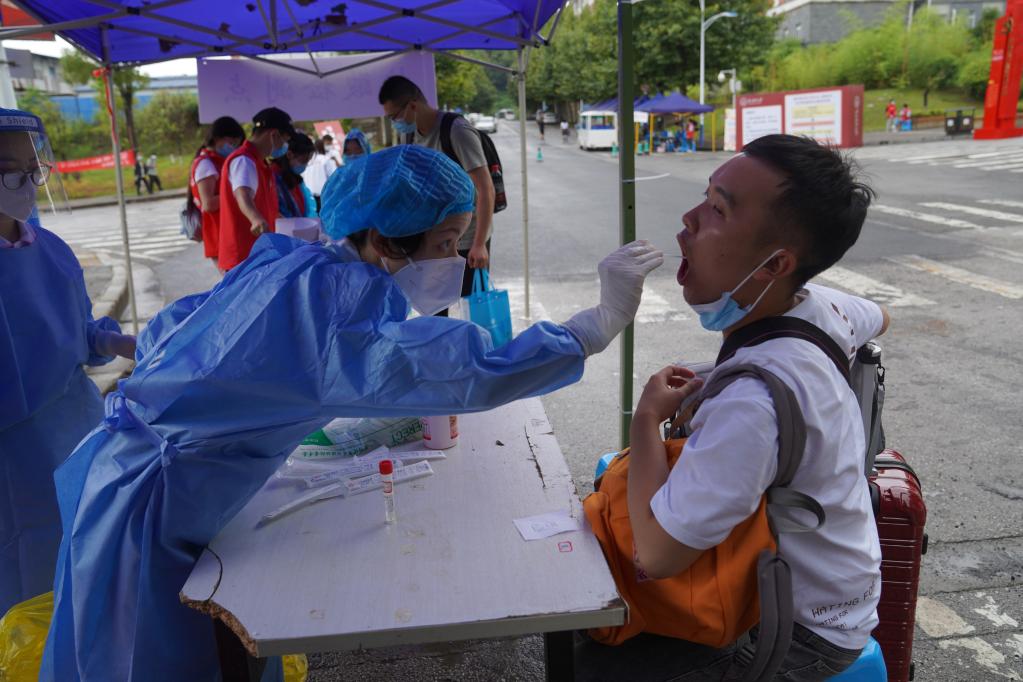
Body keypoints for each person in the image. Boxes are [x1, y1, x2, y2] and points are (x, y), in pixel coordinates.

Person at [41, 144, 663, 681]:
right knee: (144, 662)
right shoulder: (341, 314)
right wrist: (593, 327)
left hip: (124, 469)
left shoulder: (297, 260)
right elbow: (457, 368)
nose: (456, 257)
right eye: (445, 243)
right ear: (385, 237)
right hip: (146, 509)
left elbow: (184, 323)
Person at [575, 134, 888, 681]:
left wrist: (646, 419)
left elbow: (657, 555)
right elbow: (880, 316)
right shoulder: (820, 305)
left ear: (774, 263)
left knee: (596, 658)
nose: (689, 220)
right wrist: (720, 368)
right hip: (842, 593)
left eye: (718, 209)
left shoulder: (750, 405)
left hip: (795, 634)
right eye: (704, 196)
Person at [0, 107, 136, 616]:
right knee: (30, 588)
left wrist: (122, 345)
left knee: (88, 557)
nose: (26, 183)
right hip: (14, 462)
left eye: (31, 170)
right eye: (9, 172)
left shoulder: (48, 248)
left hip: (77, 429)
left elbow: (79, 330)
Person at [378, 75, 496, 310]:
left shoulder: (456, 131)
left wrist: (480, 243)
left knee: (468, 307)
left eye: (394, 116)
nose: (394, 123)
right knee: (435, 308)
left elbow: (485, 188)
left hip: (467, 237)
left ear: (412, 105)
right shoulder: (408, 135)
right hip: (431, 239)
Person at [217, 106, 295, 272]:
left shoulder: (260, 162)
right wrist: (255, 219)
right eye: (285, 140)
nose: (285, 146)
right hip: (244, 255)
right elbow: (242, 193)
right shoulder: (244, 160)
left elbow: (262, 200)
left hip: (256, 253)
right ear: (274, 135)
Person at [189, 116, 246, 266]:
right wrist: (240, 193)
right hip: (219, 234)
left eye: (237, 143)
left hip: (225, 232)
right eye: (232, 142)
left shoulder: (216, 161)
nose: (235, 146)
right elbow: (208, 203)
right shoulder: (206, 164)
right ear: (217, 138)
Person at [272, 131, 317, 219]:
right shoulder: (273, 177)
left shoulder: (294, 178)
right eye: (304, 160)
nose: (305, 164)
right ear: (289, 154)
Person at [301, 138, 336, 214]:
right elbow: (334, 177)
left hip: (309, 195)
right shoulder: (326, 160)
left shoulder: (307, 160)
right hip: (323, 195)